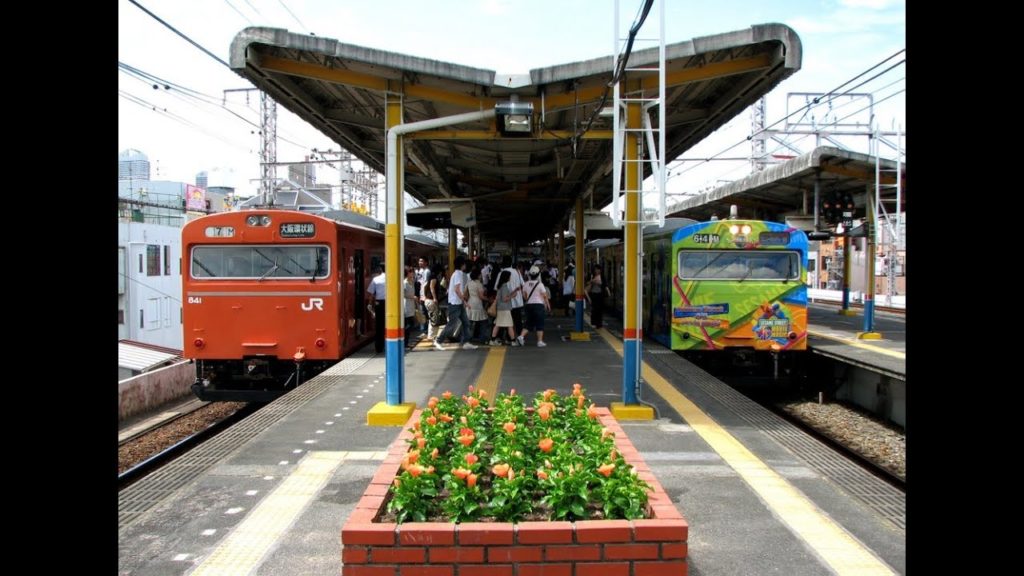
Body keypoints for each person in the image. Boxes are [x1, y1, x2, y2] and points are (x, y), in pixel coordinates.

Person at [434, 256, 477, 350]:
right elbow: (457, 290)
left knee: (466, 323)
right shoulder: (458, 274)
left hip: (458, 303)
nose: (465, 265)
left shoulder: (459, 274)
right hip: (455, 304)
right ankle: (438, 340)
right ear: (462, 265)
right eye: (464, 263)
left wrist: (463, 302)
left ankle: (465, 342)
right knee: (452, 324)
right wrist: (465, 301)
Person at [519, 265, 551, 347]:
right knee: (540, 323)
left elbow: (525, 296)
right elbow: (545, 296)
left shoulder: (525, 284)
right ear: (538, 275)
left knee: (529, 322)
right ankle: (539, 341)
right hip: (538, 305)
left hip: (528, 305)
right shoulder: (540, 284)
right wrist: (548, 305)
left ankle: (521, 336)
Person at [489, 270, 518, 346]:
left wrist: (514, 291)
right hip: (505, 309)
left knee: (497, 324)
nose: (510, 277)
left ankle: (492, 340)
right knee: (509, 325)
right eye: (509, 276)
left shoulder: (500, 286)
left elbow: (503, 297)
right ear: (506, 277)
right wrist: (513, 296)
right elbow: (505, 299)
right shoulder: (504, 286)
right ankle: (513, 341)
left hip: (500, 308)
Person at [366, 264, 386, 353]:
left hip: (379, 304)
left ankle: (379, 348)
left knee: (379, 326)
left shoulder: (376, 279)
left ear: (381, 269)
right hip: (391, 304)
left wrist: (370, 304)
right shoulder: (394, 278)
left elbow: (371, 294)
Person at [402, 266, 418, 348]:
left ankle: (406, 342)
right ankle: (405, 342)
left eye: (413, 272)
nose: (413, 273)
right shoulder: (404, 283)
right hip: (406, 305)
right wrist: (413, 297)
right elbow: (403, 294)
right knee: (409, 324)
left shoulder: (412, 281)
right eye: (411, 272)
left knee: (410, 324)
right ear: (407, 273)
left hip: (411, 305)